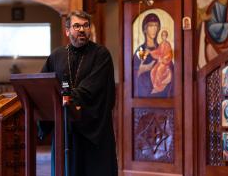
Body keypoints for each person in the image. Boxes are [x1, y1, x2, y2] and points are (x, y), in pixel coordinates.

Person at [39, 10, 117, 176]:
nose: (82, 29)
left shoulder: (101, 54)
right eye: (76, 26)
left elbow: (92, 88)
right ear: (67, 31)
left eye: (85, 26)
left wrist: (67, 99)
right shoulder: (56, 56)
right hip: (65, 129)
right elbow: (42, 85)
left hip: (92, 130)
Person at [133, 13, 173, 97]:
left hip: (162, 93)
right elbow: (135, 71)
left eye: (156, 26)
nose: (154, 29)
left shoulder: (162, 48)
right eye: (151, 26)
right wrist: (144, 68)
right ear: (145, 29)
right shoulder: (142, 50)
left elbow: (171, 68)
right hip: (144, 94)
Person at [149, 30, 173, 94]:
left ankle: (158, 88)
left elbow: (169, 55)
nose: (163, 37)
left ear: (166, 36)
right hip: (160, 62)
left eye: (165, 35)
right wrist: (151, 52)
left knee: (159, 71)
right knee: (153, 71)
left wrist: (162, 59)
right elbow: (158, 51)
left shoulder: (168, 44)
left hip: (165, 63)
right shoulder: (161, 44)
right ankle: (155, 86)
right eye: (162, 35)